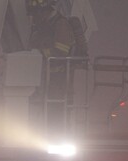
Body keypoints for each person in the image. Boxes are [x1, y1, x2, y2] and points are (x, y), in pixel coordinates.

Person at [27, 0, 77, 132]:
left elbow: (60, 53)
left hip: (57, 79)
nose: (34, 17)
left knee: (55, 112)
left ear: (45, 10)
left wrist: (39, 54)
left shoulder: (61, 25)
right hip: (43, 79)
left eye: (36, 13)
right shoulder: (42, 26)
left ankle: (55, 136)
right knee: (42, 111)